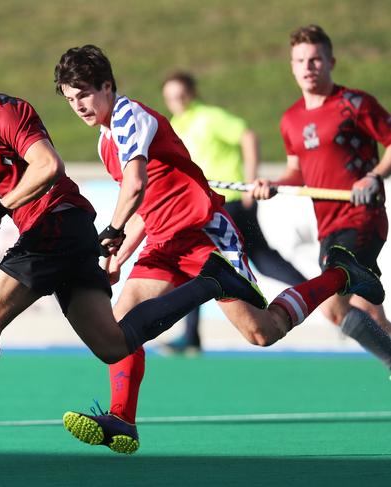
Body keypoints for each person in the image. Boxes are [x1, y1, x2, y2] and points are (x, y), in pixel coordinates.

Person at [0, 45, 275, 470]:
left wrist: (0, 210)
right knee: (112, 345)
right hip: (58, 236)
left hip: (56, 223)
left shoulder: (4, 111)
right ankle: (214, 282)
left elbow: (48, 165)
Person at [53, 44, 386, 455]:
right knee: (118, 326)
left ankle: (343, 274)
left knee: (262, 332)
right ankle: (122, 420)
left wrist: (112, 231)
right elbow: (143, 202)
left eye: (84, 93)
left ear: (107, 85)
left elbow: (134, 184)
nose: (79, 106)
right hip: (164, 241)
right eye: (70, 99)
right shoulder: (106, 141)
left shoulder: (127, 116)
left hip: (204, 233)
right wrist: (120, 253)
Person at [252, 24, 391, 365]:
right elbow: (296, 170)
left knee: (336, 295)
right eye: (301, 60)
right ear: (292, 66)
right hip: (327, 225)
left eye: (316, 60)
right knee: (350, 311)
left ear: (331, 62)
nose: (308, 67)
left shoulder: (354, 104)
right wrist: (272, 185)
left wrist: (373, 177)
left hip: (362, 218)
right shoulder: (291, 119)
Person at [160, 71, 307, 354]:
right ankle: (315, 292)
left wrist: (252, 180)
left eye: (180, 95)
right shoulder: (178, 124)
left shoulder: (209, 117)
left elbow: (248, 136)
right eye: (170, 97)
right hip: (205, 205)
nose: (176, 101)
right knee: (240, 260)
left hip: (230, 203)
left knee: (244, 260)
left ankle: (315, 293)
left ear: (191, 92)